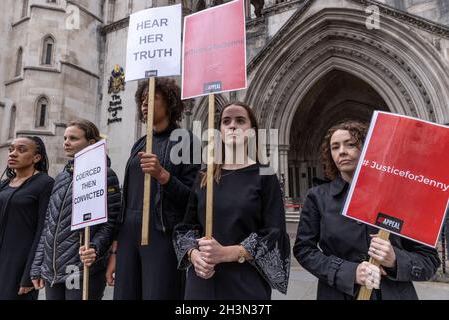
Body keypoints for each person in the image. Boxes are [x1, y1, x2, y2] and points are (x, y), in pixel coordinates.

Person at [293, 120, 440, 300]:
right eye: (335, 147)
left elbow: (429, 260)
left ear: (368, 148)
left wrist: (395, 260)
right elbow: (304, 250)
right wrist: (349, 272)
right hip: (338, 294)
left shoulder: (396, 196)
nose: (342, 152)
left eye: (351, 144)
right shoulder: (317, 197)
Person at [173, 102, 290, 300]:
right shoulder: (204, 176)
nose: (232, 125)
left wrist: (228, 253)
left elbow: (275, 234)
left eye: (240, 120)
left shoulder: (265, 175)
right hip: (202, 282)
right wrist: (194, 255)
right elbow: (185, 228)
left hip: (245, 282)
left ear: (252, 132)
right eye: (226, 121)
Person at [107, 77, 200, 300]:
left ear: (169, 103)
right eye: (142, 99)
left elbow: (194, 199)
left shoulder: (185, 140)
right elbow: (128, 197)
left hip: (162, 234)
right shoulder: (139, 143)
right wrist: (115, 249)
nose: (145, 103)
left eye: (153, 98)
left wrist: (163, 176)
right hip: (129, 235)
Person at [30, 119, 121, 300]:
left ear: (91, 143)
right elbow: (49, 224)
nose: (66, 142)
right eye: (65, 138)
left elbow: (111, 223)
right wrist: (38, 265)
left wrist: (94, 247)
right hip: (52, 270)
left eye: (73, 138)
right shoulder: (61, 178)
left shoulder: (105, 174)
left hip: (81, 267)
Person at [0, 137, 54, 300]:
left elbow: (43, 231)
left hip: (19, 264)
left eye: (21, 150)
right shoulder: (3, 184)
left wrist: (31, 272)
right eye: (11, 150)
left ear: (36, 158)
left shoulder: (45, 184)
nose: (13, 154)